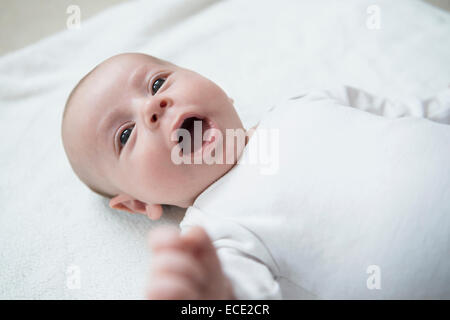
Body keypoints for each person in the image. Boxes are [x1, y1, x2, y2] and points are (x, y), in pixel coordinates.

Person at [62, 52, 450, 299]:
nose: (152, 105)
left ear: (221, 91)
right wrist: (212, 295)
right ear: (137, 203)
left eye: (158, 82)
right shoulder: (212, 233)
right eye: (125, 135)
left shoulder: (303, 104)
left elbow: (414, 111)